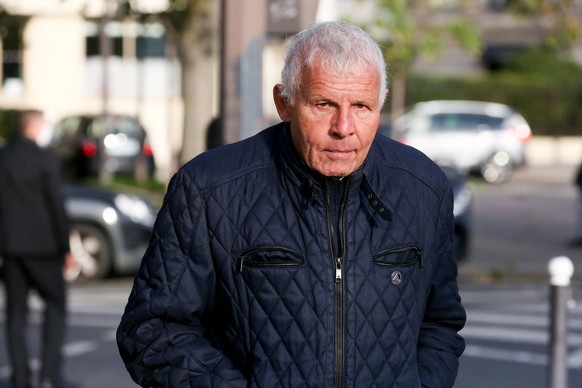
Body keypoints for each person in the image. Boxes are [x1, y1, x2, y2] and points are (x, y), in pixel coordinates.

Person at [117, 21, 466, 387]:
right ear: (284, 103)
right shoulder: (208, 189)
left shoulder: (423, 188)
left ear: (381, 103)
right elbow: (152, 331)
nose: (344, 127)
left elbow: (440, 323)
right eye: (324, 104)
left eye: (362, 106)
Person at [0, 109, 75, 388]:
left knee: (15, 313)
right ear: (34, 127)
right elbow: (57, 206)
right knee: (55, 305)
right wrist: (66, 247)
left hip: (10, 247)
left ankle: (20, 377)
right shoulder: (45, 159)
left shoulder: (3, 157)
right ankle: (49, 374)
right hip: (44, 247)